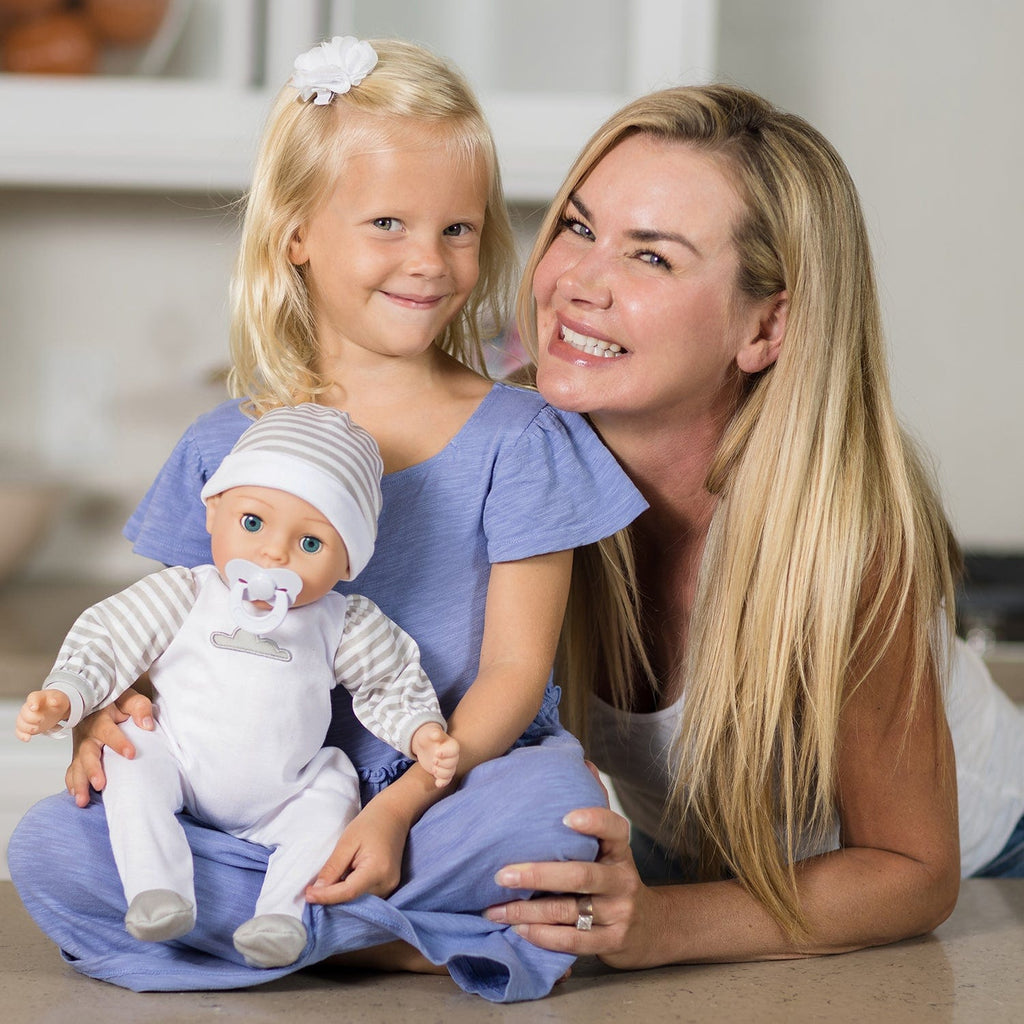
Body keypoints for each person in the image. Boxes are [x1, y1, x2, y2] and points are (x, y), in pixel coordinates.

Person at [8, 37, 647, 1002]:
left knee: (551, 813)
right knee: (51, 843)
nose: (428, 262)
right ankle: (391, 941)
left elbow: (517, 675)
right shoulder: (225, 445)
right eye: (387, 221)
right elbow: (159, 633)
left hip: (440, 787)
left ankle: (271, 928)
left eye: (459, 230)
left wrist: (395, 811)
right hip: (238, 794)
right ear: (297, 231)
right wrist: (103, 715)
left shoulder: (523, 437)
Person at [481, 83, 1024, 966]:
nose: (577, 283)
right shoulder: (504, 471)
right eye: (579, 228)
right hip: (696, 860)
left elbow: (915, 870)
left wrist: (663, 926)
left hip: (982, 876)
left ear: (765, 327)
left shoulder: (841, 542)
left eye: (651, 258)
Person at [15, 404, 460, 969]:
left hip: (286, 790)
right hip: (180, 761)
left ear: (347, 561)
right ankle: (159, 891)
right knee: (132, 753)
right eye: (253, 523)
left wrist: (422, 734)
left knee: (332, 791)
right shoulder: (185, 593)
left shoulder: (341, 621)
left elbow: (390, 679)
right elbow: (110, 638)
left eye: (311, 543)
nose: (273, 553)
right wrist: (66, 696)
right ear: (213, 513)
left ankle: (280, 916)